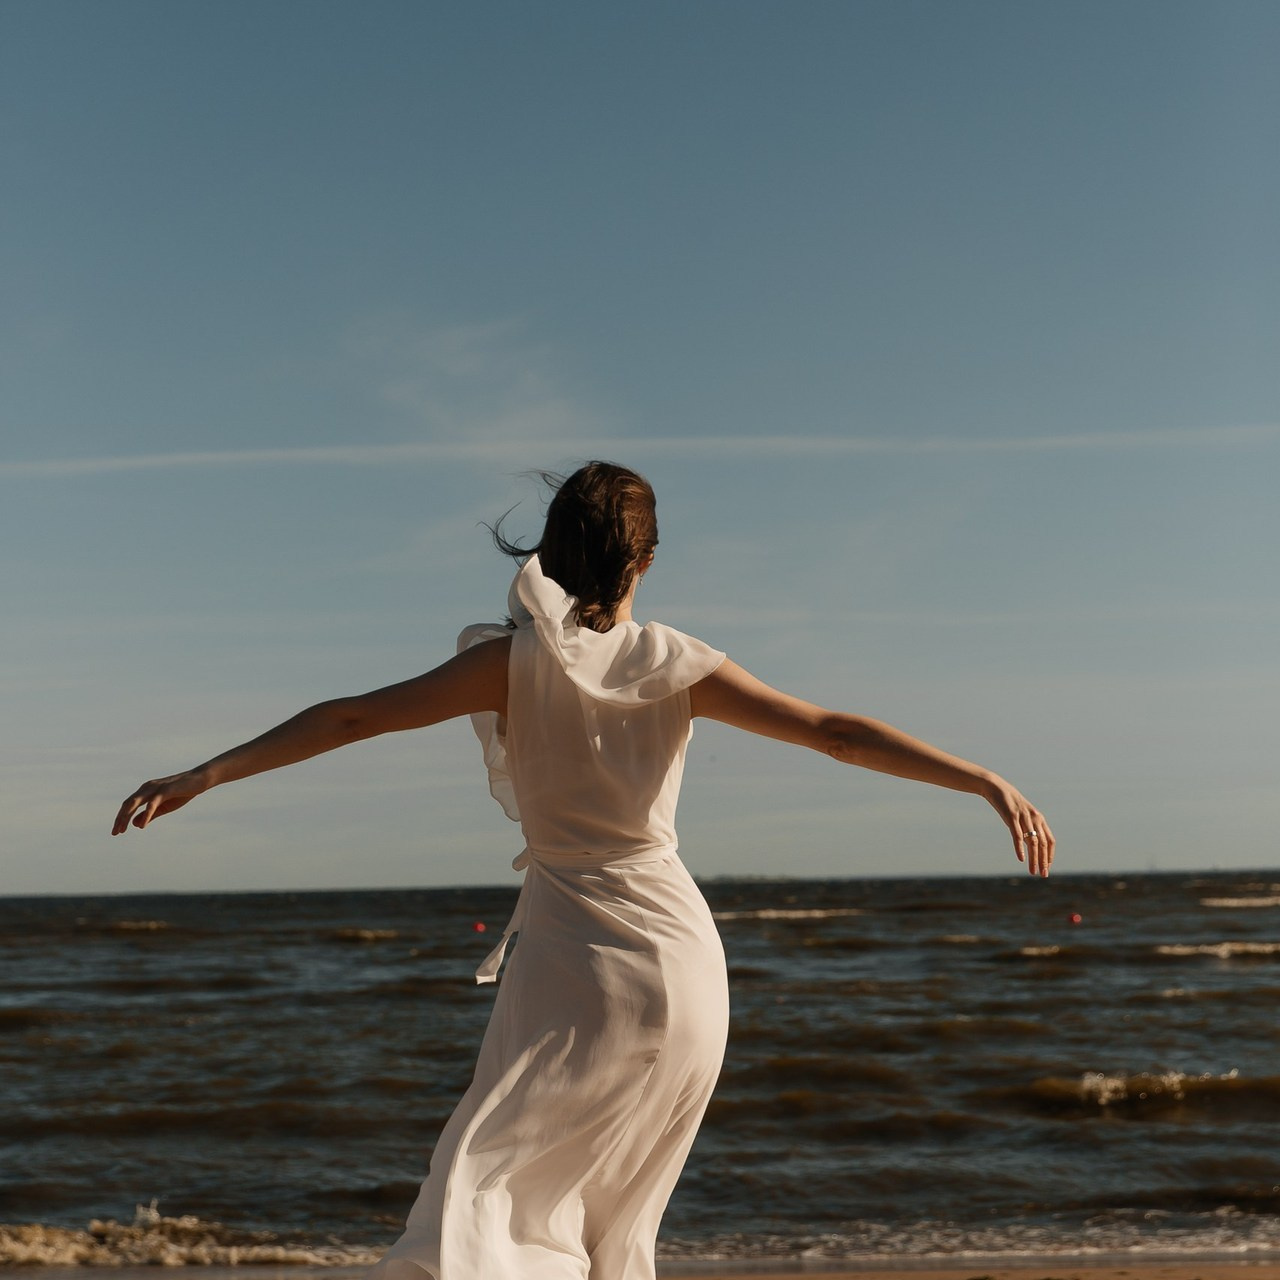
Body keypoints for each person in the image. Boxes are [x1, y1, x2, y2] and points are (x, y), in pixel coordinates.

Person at [113, 461, 1054, 1280]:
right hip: (683, 968)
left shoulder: (508, 666)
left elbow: (354, 716)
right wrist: (980, 779)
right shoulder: (677, 665)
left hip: (580, 959)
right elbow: (835, 734)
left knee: (484, 1191)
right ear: (644, 561)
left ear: (553, 552)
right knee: (612, 1220)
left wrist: (209, 772)